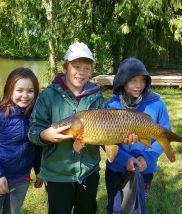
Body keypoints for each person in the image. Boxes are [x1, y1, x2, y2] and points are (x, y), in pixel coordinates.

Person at [28, 42, 137, 214]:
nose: (81, 72)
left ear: (91, 71)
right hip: (58, 174)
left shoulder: (96, 96)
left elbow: (106, 133)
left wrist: (119, 137)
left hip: (89, 172)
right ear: (65, 67)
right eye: (76, 66)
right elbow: (33, 132)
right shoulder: (48, 96)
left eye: (87, 68)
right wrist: (44, 135)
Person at [105, 57, 172, 214]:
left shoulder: (157, 103)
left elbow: (163, 134)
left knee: (137, 208)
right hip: (117, 169)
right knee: (115, 208)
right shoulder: (111, 106)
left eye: (142, 81)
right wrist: (124, 159)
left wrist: (147, 158)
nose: (139, 85)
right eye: (133, 81)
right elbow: (106, 141)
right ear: (122, 81)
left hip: (144, 169)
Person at [0, 67, 43, 214]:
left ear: (36, 92)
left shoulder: (35, 117)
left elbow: (38, 147)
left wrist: (40, 171)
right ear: (9, 90)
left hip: (21, 180)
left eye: (30, 91)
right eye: (19, 90)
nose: (25, 95)